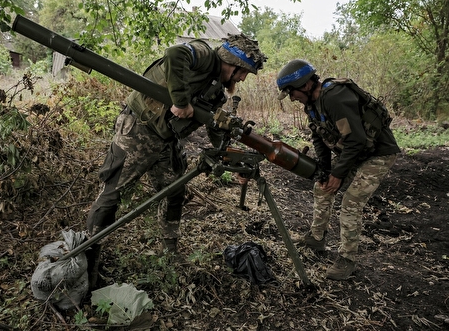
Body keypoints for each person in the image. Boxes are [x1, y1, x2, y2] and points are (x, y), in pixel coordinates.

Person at [85, 33, 267, 286]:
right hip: (138, 130)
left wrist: (230, 158)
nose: (242, 78)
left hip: (166, 140)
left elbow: (214, 127)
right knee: (112, 195)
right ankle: (87, 262)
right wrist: (181, 102)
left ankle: (169, 250)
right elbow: (174, 54)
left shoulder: (216, 93)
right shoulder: (204, 55)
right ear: (231, 61)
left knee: (174, 191)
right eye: (242, 71)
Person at [276, 59, 400, 280]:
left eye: (291, 92)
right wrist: (325, 171)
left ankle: (347, 259)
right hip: (356, 152)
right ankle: (316, 237)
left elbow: (356, 139)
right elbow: (319, 139)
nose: (292, 97)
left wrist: (338, 174)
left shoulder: (334, 97)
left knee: (350, 203)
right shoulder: (311, 105)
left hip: (378, 154)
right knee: (321, 187)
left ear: (305, 85)